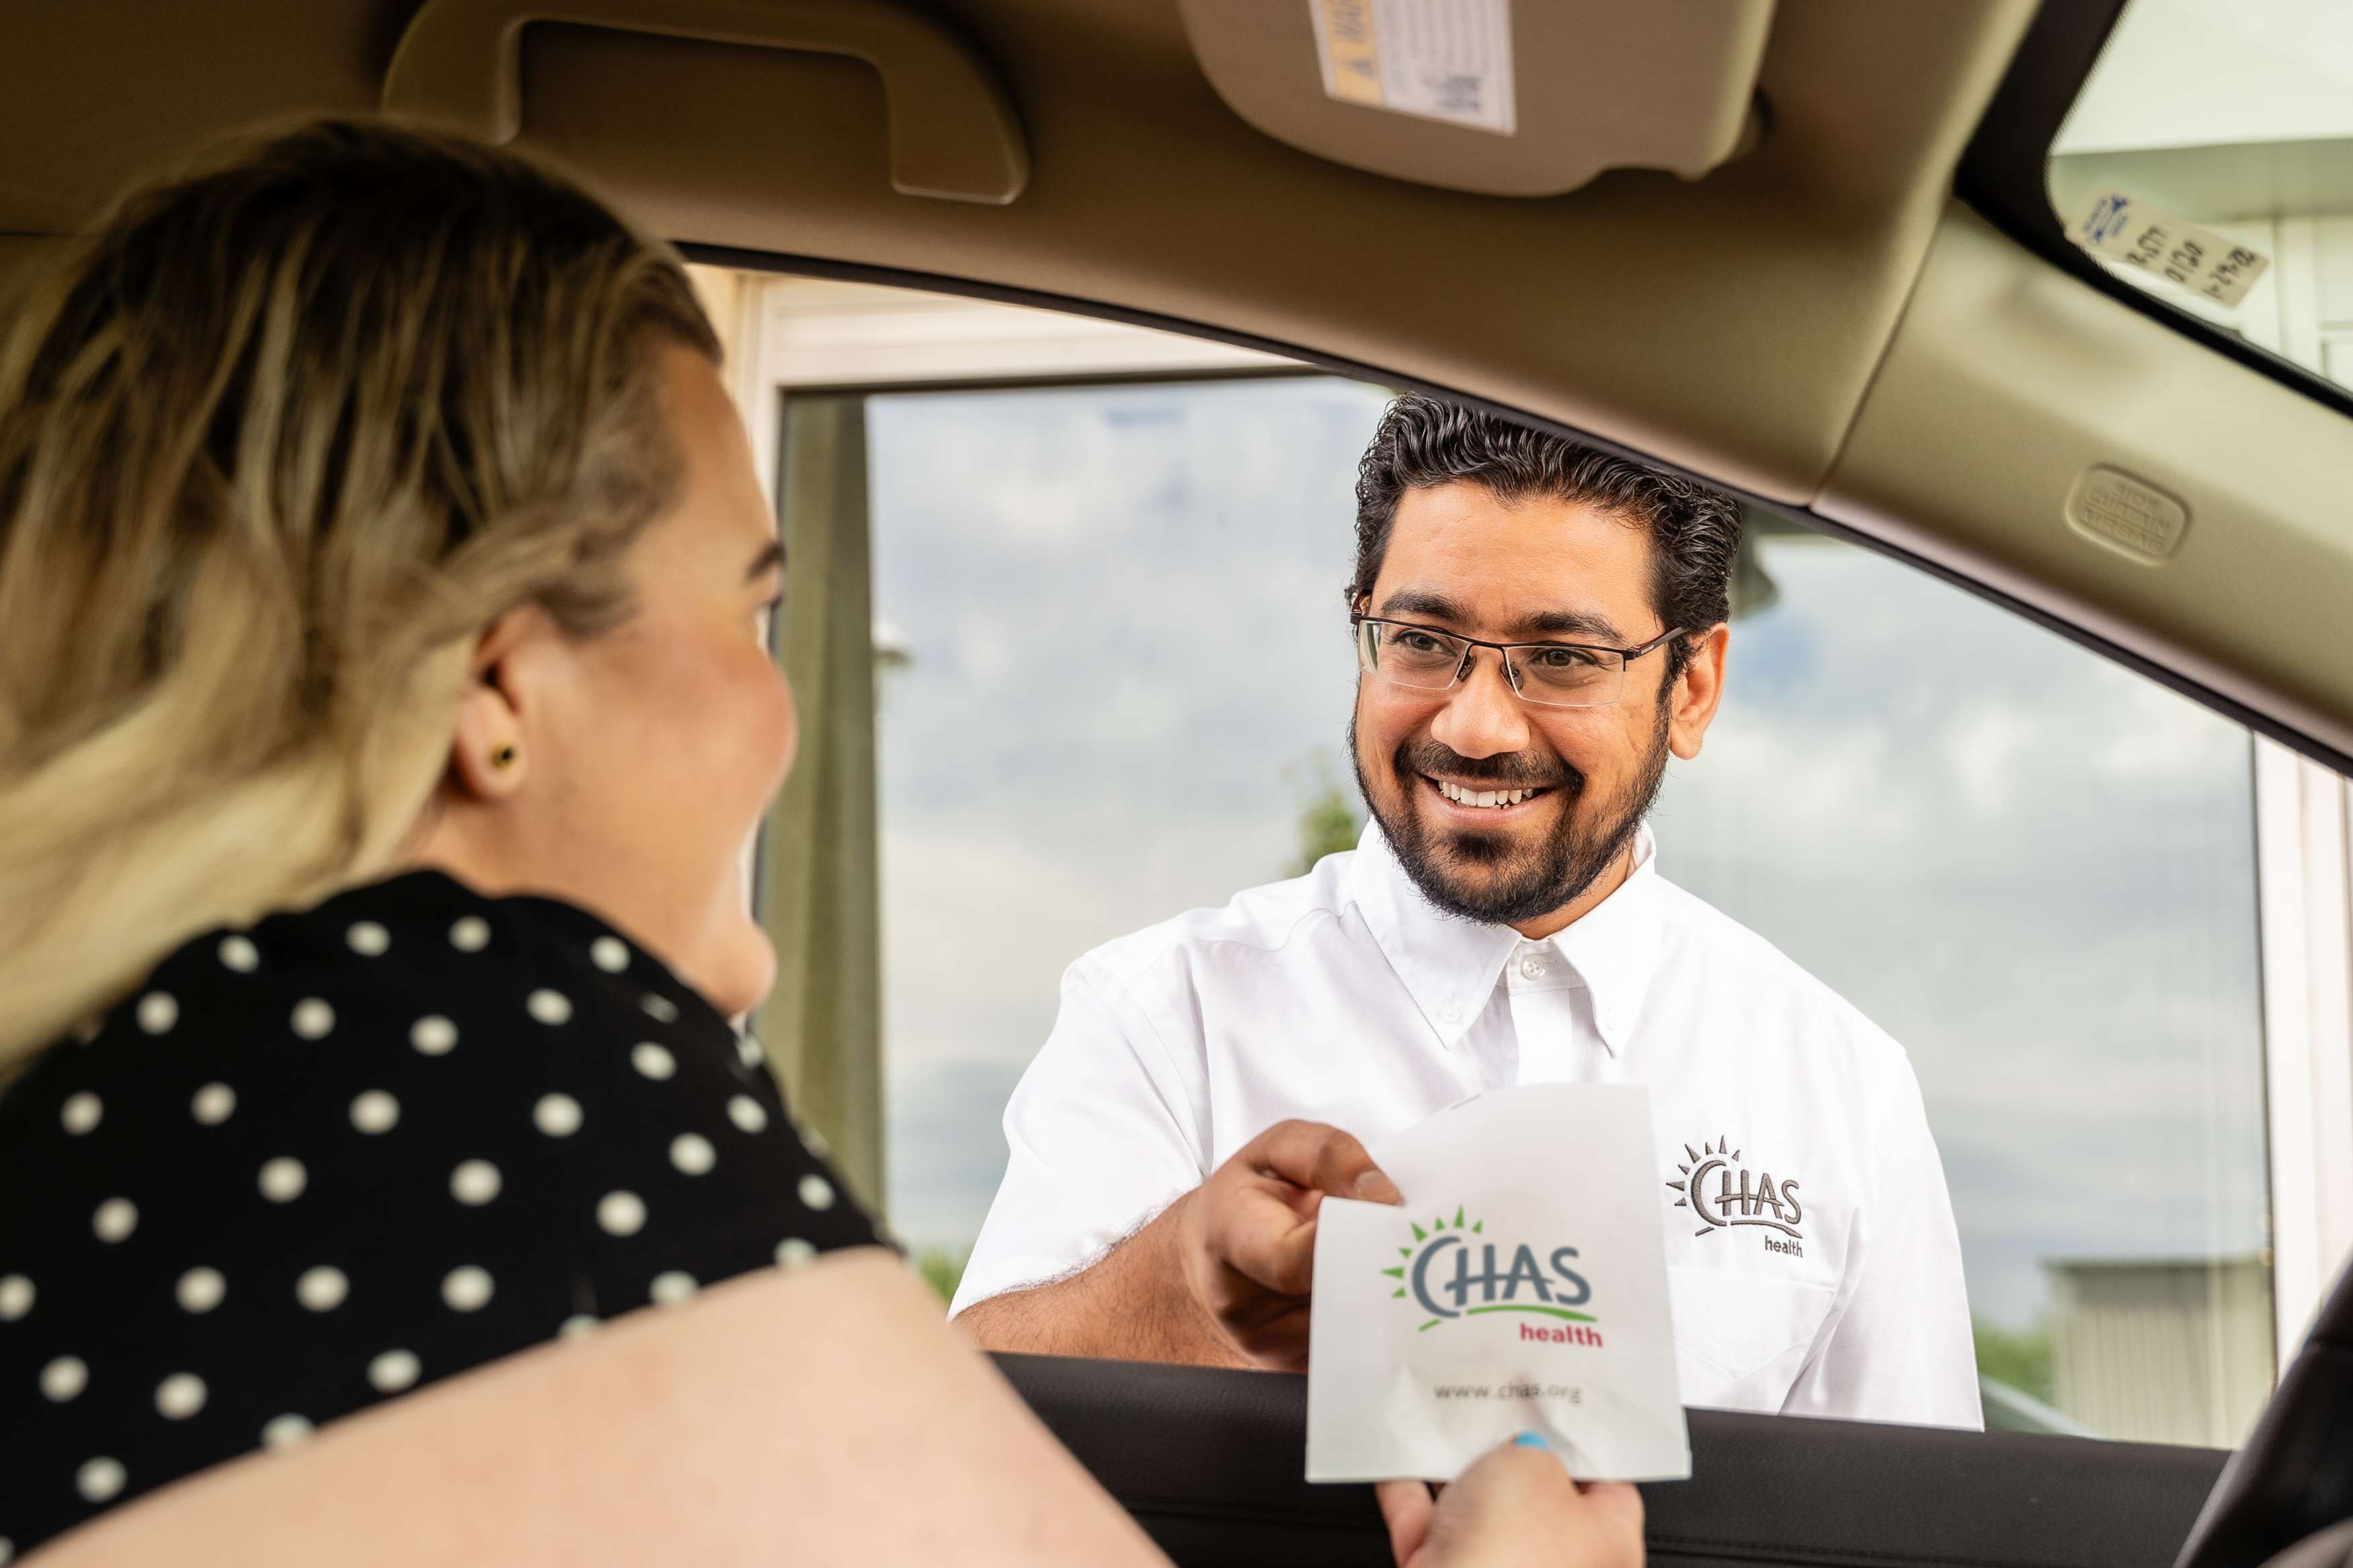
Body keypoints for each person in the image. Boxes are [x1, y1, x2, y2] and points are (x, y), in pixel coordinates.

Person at [0, 122, 1640, 1565]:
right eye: (747, 605)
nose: (783, 705)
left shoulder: (103, 1117)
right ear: (499, 683)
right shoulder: (499, 1058)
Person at [953, 399, 1981, 1429]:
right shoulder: (1162, 1018)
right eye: (1421, 640)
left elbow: (1925, 1530)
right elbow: (961, 1441)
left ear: (1693, 688)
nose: (1476, 725)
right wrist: (1186, 1285)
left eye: (1564, 657)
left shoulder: (1843, 1092)